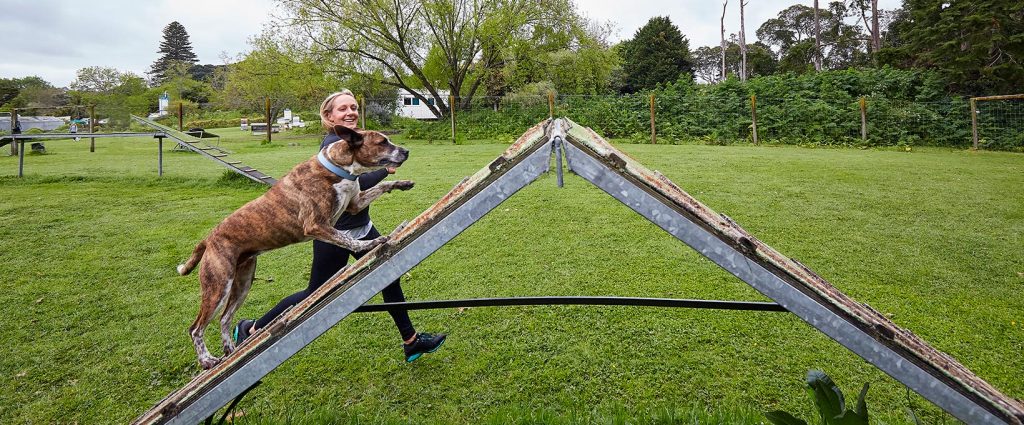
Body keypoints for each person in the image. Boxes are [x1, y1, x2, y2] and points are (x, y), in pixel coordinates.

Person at [233, 90, 446, 363]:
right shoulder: (336, 144)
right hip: (335, 233)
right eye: (343, 109)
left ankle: (411, 341)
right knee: (315, 294)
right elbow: (357, 186)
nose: (350, 113)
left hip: (362, 228)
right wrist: (386, 169)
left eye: (354, 107)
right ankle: (251, 329)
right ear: (329, 116)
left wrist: (384, 164)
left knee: (389, 275)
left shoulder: (361, 139)